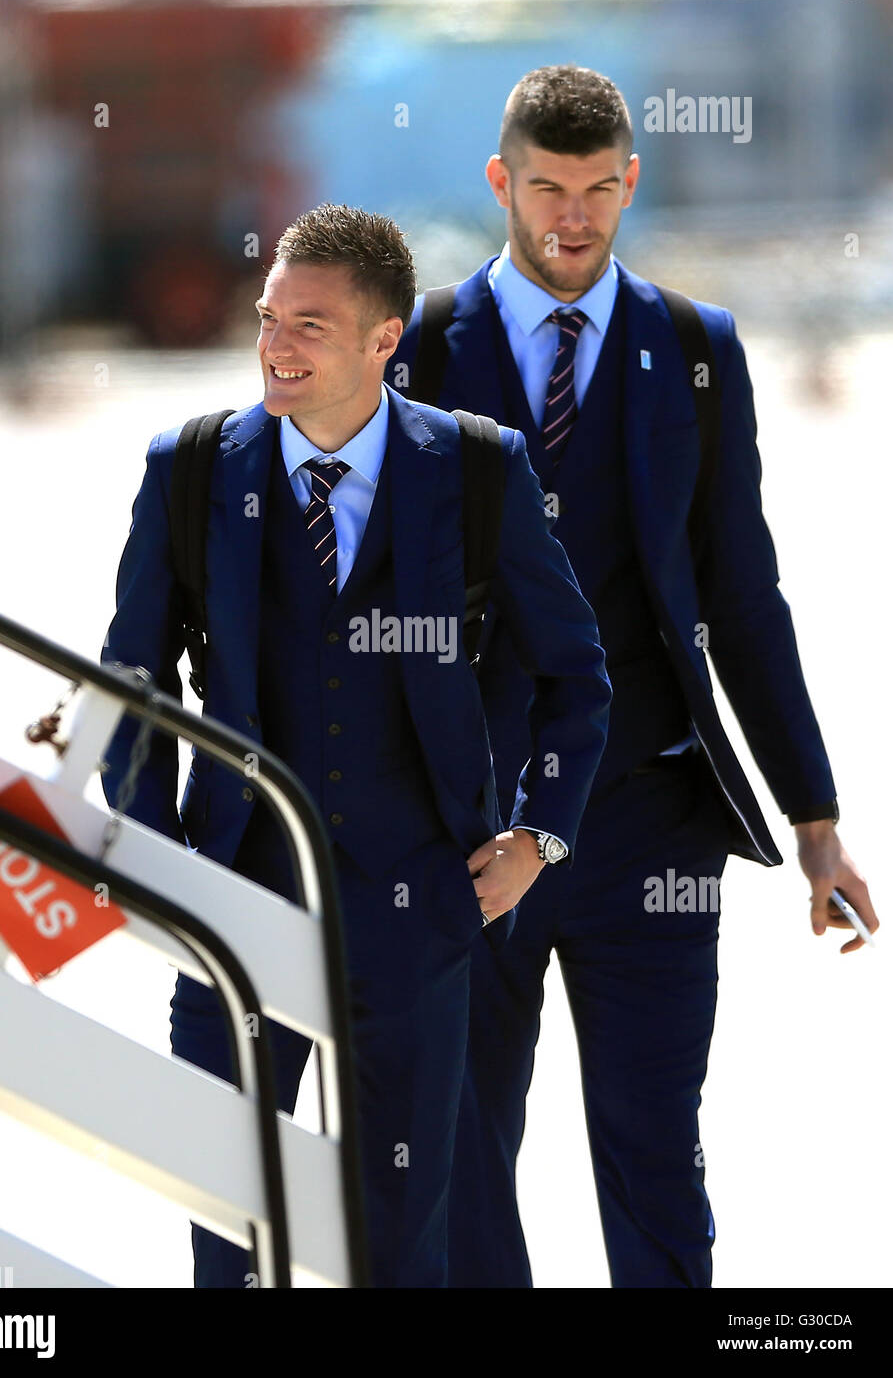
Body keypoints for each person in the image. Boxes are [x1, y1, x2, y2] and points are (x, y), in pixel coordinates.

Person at [390, 65, 880, 1288]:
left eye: (598, 191)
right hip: (467, 831)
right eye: (546, 188)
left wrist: (813, 820)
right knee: (456, 1158)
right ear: (501, 180)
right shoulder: (421, 348)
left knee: (656, 1150)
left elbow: (741, 596)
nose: (572, 219)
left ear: (630, 184)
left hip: (652, 825)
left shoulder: (694, 351)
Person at [99, 202, 612, 1288]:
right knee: (229, 1228)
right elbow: (130, 690)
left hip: (422, 906)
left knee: (399, 1240)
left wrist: (538, 838)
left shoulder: (477, 472)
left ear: (385, 339)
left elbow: (574, 674)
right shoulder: (189, 470)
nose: (274, 346)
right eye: (267, 318)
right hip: (232, 904)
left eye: (310, 326)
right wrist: (156, 867)